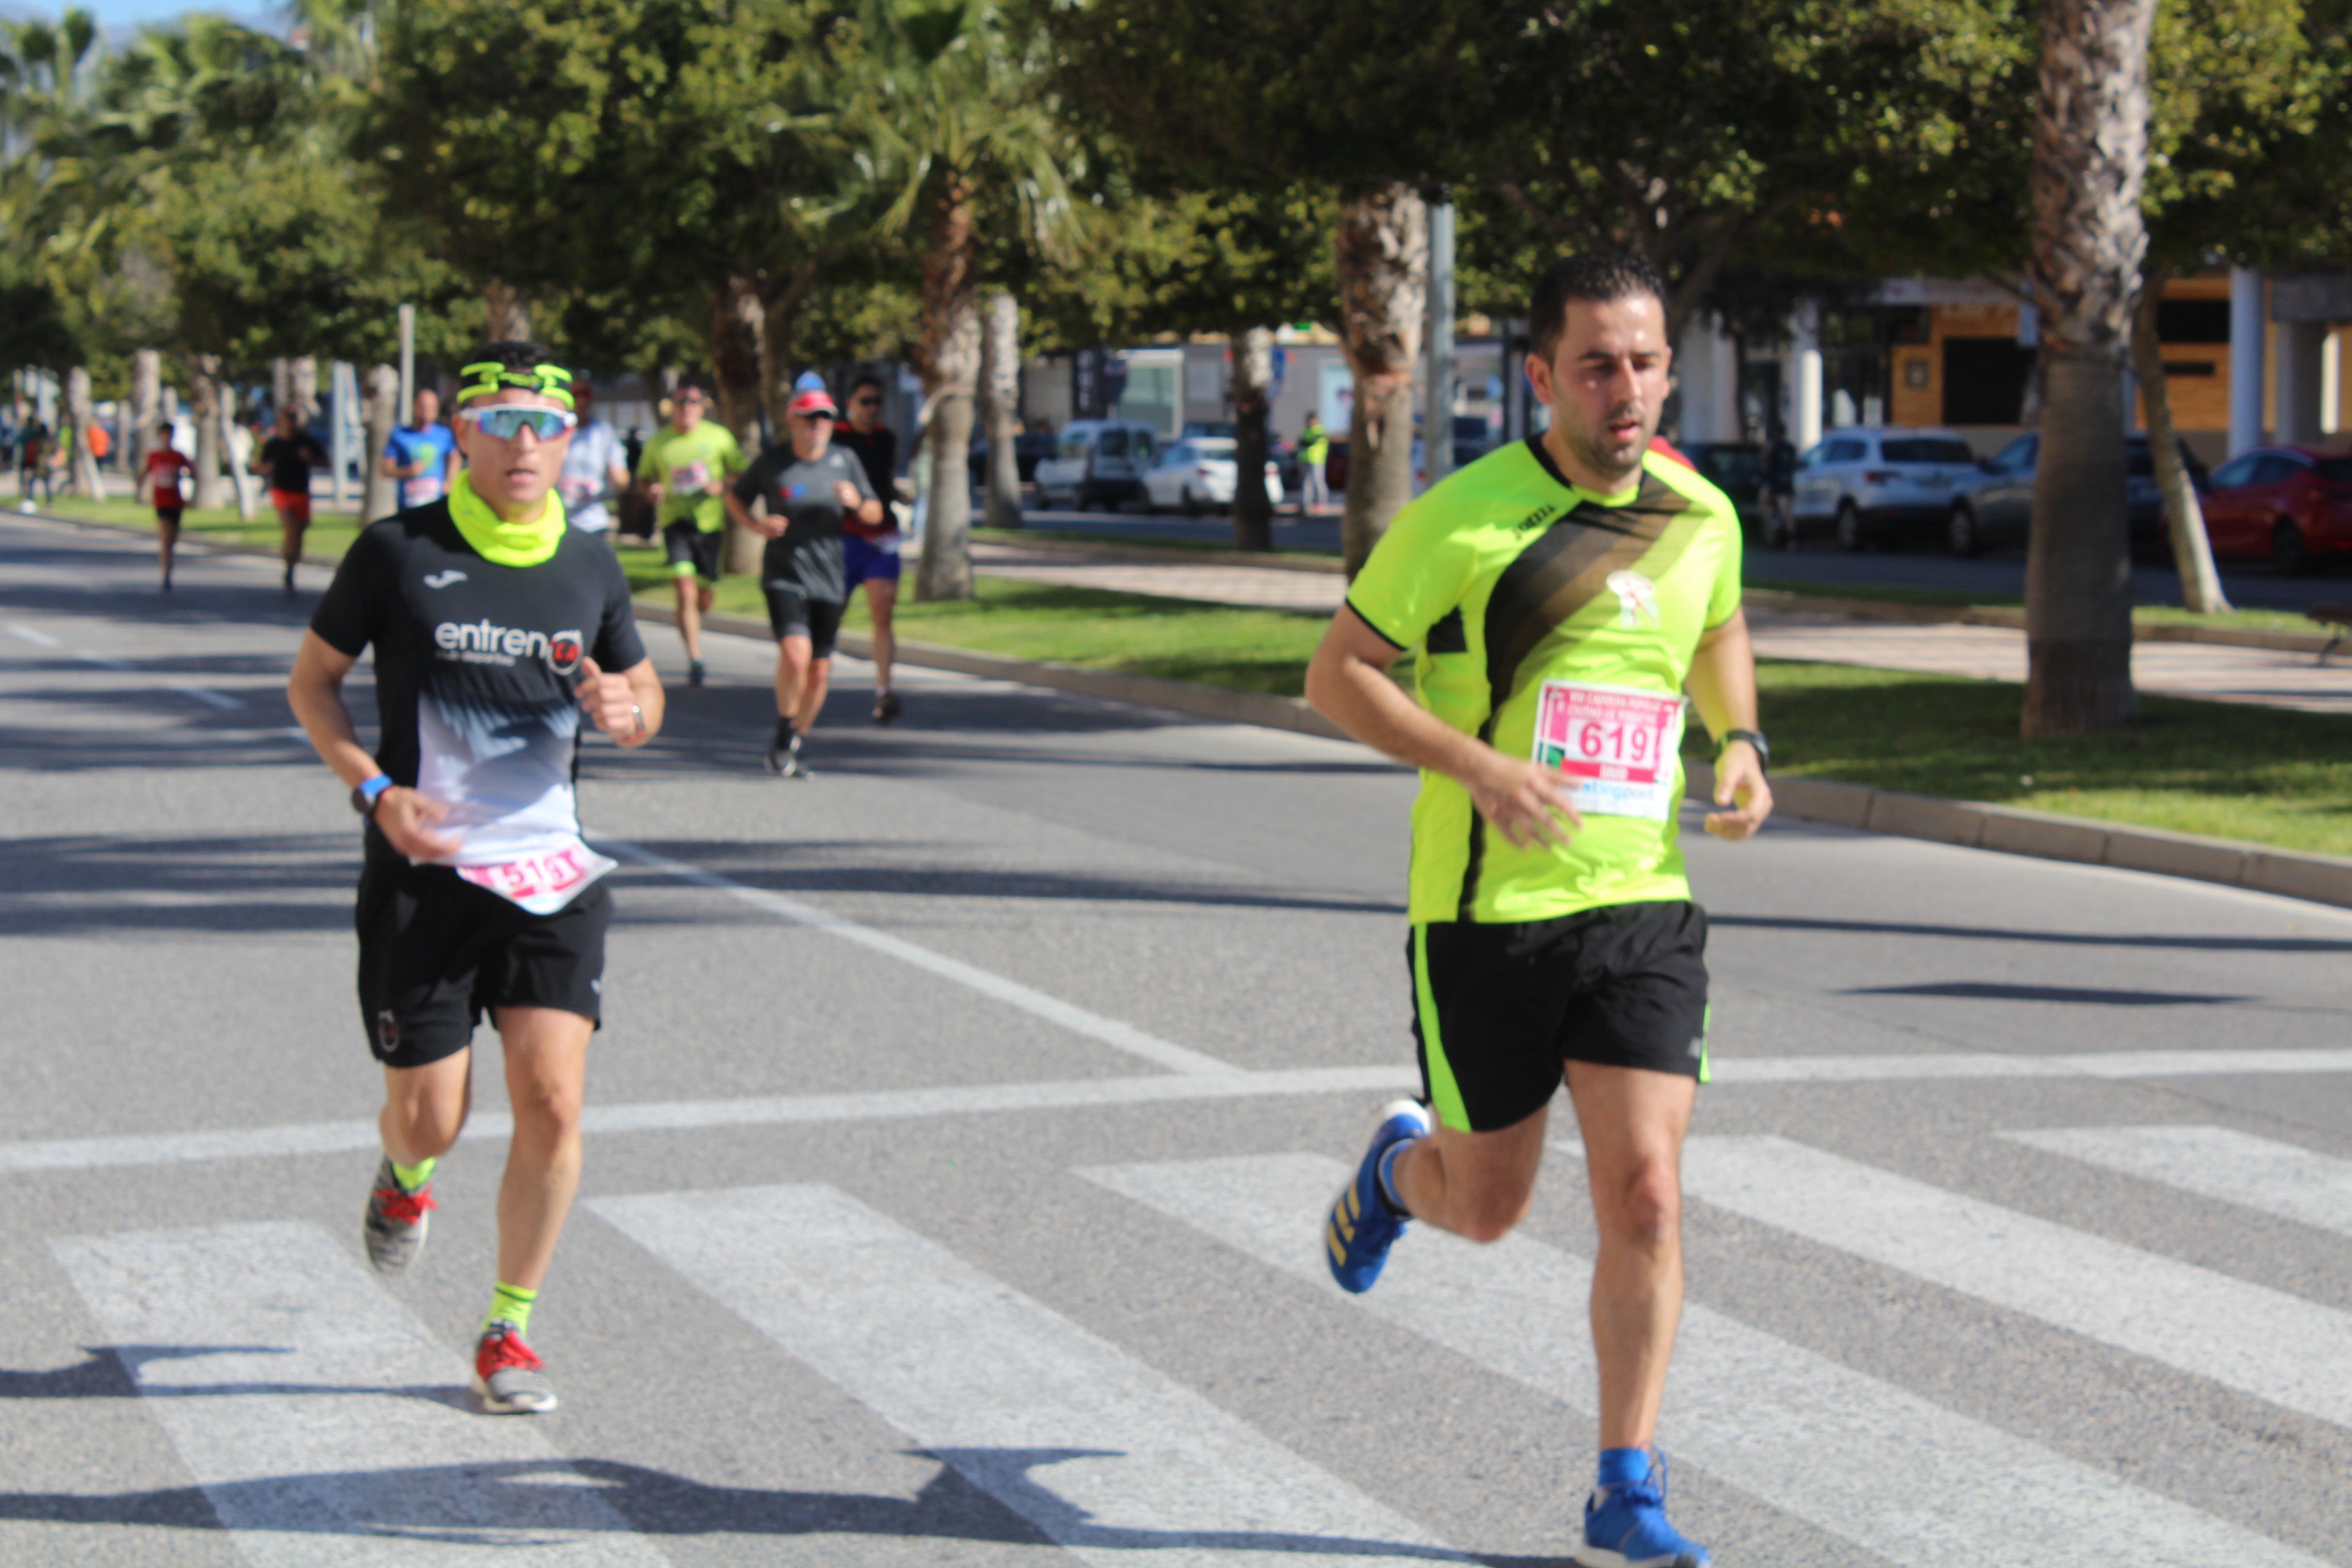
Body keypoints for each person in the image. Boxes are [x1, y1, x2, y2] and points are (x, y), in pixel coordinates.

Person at [1302, 250, 1771, 1568]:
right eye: (1595, 366)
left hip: (1640, 908)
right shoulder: (1467, 518)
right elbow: (1338, 676)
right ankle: (1400, 1173)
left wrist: (1742, 743)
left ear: (1669, 367)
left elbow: (1719, 627)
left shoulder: (1702, 512)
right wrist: (1480, 766)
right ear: (1541, 378)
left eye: (1644, 362)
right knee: (1491, 1204)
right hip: (1482, 915)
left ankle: (1625, 1489)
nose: (1624, 389)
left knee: (1650, 1197)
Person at [287, 342, 664, 1417]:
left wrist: (629, 715)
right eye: (501, 424)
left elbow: (642, 692)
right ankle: (405, 1180)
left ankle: (508, 1331)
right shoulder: (398, 553)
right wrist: (371, 792)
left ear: (566, 440)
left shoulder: (588, 563)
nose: (525, 445)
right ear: (461, 434)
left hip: (552, 875)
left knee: (551, 1100)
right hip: (428, 876)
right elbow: (312, 685)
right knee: (432, 1119)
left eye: (545, 426)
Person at [725, 383, 883, 778]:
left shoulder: (844, 460)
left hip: (830, 576)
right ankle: (783, 727)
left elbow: (875, 514)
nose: (818, 426)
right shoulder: (773, 462)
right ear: (793, 421)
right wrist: (757, 526)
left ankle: (794, 740)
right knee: (795, 654)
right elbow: (735, 497)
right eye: (811, 418)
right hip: (785, 571)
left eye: (825, 418)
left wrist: (857, 503)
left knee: (820, 671)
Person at [636, 384, 745, 687]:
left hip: (710, 525)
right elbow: (644, 480)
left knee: (704, 593)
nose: (687, 407)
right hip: (675, 523)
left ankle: (693, 620)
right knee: (685, 590)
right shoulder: (659, 442)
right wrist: (652, 491)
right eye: (681, 402)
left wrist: (720, 485)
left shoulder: (718, 437)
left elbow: (740, 473)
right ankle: (696, 658)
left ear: (702, 407)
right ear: (673, 407)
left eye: (693, 402)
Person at [830, 372, 904, 722]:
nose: (872, 408)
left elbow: (882, 483)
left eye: (877, 402)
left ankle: (884, 689)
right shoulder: (835, 438)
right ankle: (813, 679)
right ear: (850, 405)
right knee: (832, 614)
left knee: (883, 610)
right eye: (865, 401)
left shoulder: (886, 439)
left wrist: (898, 493)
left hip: (881, 535)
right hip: (843, 536)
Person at [251, 404, 329, 593]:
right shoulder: (274, 444)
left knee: (298, 534)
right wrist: (264, 469)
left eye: (293, 418)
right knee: (291, 529)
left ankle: (291, 567)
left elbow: (326, 462)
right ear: (281, 421)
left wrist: (310, 458)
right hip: (281, 491)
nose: (289, 422)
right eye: (286, 418)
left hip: (301, 492)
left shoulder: (306, 442)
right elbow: (259, 466)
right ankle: (288, 566)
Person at [555, 380, 630, 540]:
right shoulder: (556, 430)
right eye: (576, 395)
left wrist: (617, 479)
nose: (582, 400)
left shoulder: (603, 431)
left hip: (594, 520)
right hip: (560, 518)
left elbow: (622, 477)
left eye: (587, 394)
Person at [138, 423, 196, 591]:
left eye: (169, 435)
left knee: (172, 539)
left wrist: (185, 474)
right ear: (160, 436)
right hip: (161, 501)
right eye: (164, 435)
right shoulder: (154, 456)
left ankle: (168, 565)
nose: (167, 438)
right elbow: (144, 472)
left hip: (176, 501)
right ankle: (166, 574)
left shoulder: (178, 456)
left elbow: (193, 472)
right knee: (164, 538)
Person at [382, 389, 458, 512]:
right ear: (415, 407)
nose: (427, 412)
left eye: (431, 408)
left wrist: (450, 480)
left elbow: (455, 458)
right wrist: (408, 471)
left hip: (436, 503)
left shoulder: (444, 435)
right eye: (423, 407)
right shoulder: (400, 435)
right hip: (409, 505)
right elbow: (385, 469)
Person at [1762, 425, 1797, 549]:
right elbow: (1794, 465)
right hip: (1784, 486)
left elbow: (1766, 465)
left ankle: (1786, 539)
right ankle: (1787, 539)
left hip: (1778, 486)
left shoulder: (1775, 448)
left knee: (1782, 514)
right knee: (1786, 514)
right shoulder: (1789, 448)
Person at [1297, 412, 1330, 514]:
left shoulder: (1318, 430)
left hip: (1317, 460)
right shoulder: (1306, 431)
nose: (1310, 422)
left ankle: (1322, 503)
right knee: (1306, 482)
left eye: (1311, 419)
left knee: (1318, 481)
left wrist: (1305, 442)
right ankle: (1305, 503)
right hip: (1306, 459)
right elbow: (1301, 442)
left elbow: (1309, 442)